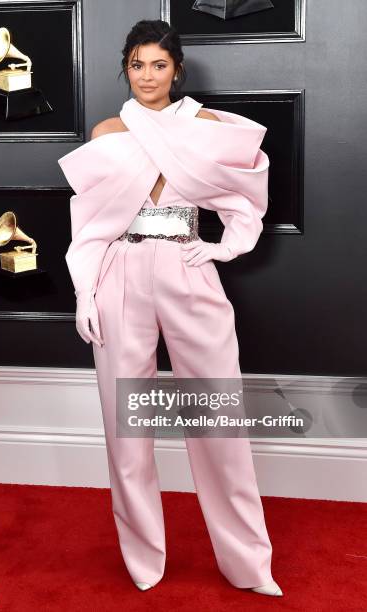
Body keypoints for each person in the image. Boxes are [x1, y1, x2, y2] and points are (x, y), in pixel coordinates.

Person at [58, 19, 283, 597]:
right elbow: (88, 226)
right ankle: (143, 562)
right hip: (120, 272)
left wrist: (222, 247)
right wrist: (86, 291)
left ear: (176, 69)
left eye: (159, 64)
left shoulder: (204, 125)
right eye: (137, 64)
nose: (148, 76)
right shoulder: (109, 128)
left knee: (217, 419)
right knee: (124, 428)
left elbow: (247, 195)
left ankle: (248, 565)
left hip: (187, 266)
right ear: (125, 69)